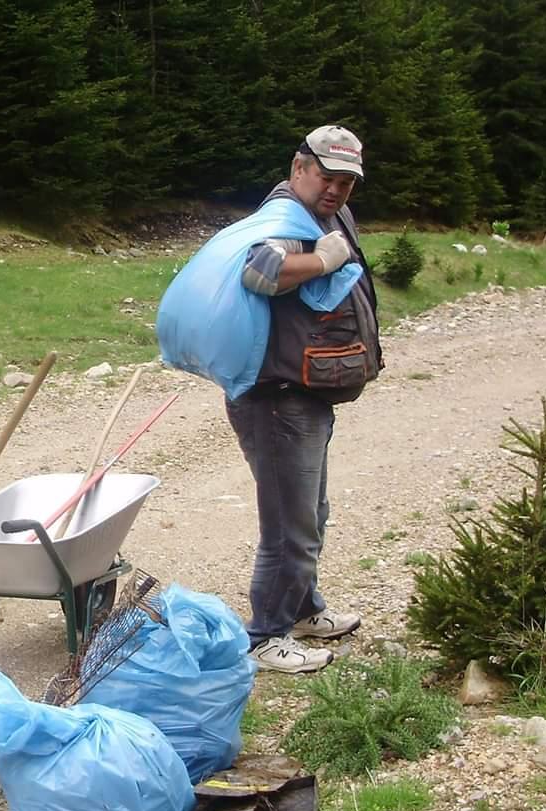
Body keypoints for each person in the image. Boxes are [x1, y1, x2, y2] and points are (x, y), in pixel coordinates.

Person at [230, 125, 383, 673]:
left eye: (347, 182)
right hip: (275, 396)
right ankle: (266, 634)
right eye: (327, 176)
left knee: (312, 511)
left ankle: (302, 608)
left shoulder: (327, 215)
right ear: (299, 168)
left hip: (306, 392)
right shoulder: (282, 217)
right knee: (289, 525)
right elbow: (259, 272)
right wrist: (323, 259)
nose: (337, 189)